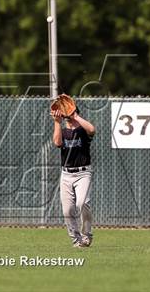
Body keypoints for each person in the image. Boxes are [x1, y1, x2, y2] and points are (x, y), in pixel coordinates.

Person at [51, 106, 95, 248]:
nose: (68, 115)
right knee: (67, 210)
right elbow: (57, 142)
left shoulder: (83, 131)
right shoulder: (63, 131)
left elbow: (92, 130)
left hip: (83, 173)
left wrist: (75, 116)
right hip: (66, 174)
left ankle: (86, 235)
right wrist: (57, 121)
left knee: (82, 203)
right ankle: (76, 240)